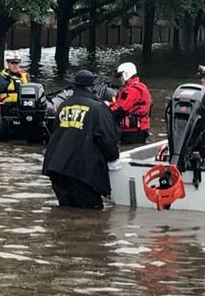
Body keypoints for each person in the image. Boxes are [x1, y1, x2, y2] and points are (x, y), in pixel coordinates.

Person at [42, 69, 120, 209]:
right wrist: (113, 158)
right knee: (92, 214)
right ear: (92, 87)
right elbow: (107, 139)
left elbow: (55, 133)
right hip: (82, 172)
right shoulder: (98, 108)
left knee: (66, 211)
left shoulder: (64, 106)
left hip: (56, 168)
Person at [109, 62, 152, 144]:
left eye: (120, 76)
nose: (119, 79)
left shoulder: (131, 90)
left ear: (126, 74)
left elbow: (120, 110)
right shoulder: (140, 86)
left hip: (132, 132)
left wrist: (105, 111)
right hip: (138, 129)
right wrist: (109, 105)